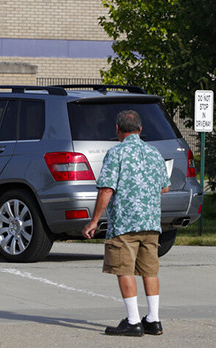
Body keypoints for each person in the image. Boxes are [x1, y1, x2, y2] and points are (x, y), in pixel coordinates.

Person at [82, 110, 170, 337]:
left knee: (124, 269)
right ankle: (153, 320)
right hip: (151, 223)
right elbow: (164, 186)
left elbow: (107, 189)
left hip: (124, 223)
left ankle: (132, 321)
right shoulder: (154, 153)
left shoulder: (116, 153)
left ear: (117, 130)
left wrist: (94, 220)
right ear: (140, 130)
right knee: (150, 270)